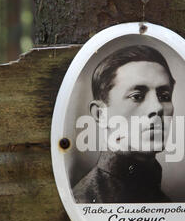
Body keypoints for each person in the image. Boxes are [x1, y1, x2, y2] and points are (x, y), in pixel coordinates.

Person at [73, 45, 176, 203]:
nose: (157, 107)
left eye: (164, 96)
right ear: (100, 114)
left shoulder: (166, 203)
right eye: (137, 96)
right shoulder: (83, 201)